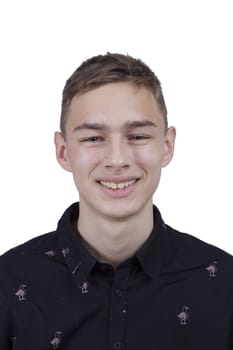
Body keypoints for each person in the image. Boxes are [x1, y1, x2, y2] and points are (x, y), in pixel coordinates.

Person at [0, 53, 232, 350]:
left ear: (167, 146)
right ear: (63, 152)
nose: (118, 159)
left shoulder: (224, 285)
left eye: (137, 136)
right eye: (93, 139)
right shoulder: (8, 284)